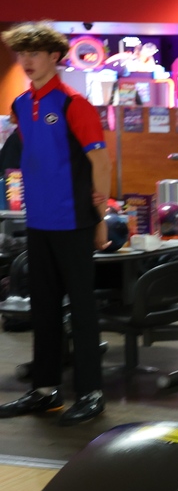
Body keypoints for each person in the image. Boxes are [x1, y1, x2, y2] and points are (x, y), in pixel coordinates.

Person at [0, 22, 112, 425]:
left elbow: (100, 162)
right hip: (39, 221)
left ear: (54, 57)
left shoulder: (73, 104)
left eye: (35, 53)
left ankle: (91, 393)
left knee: (81, 310)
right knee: (43, 308)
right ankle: (45, 390)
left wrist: (101, 219)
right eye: (22, 54)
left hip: (74, 220)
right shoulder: (20, 105)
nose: (27, 61)